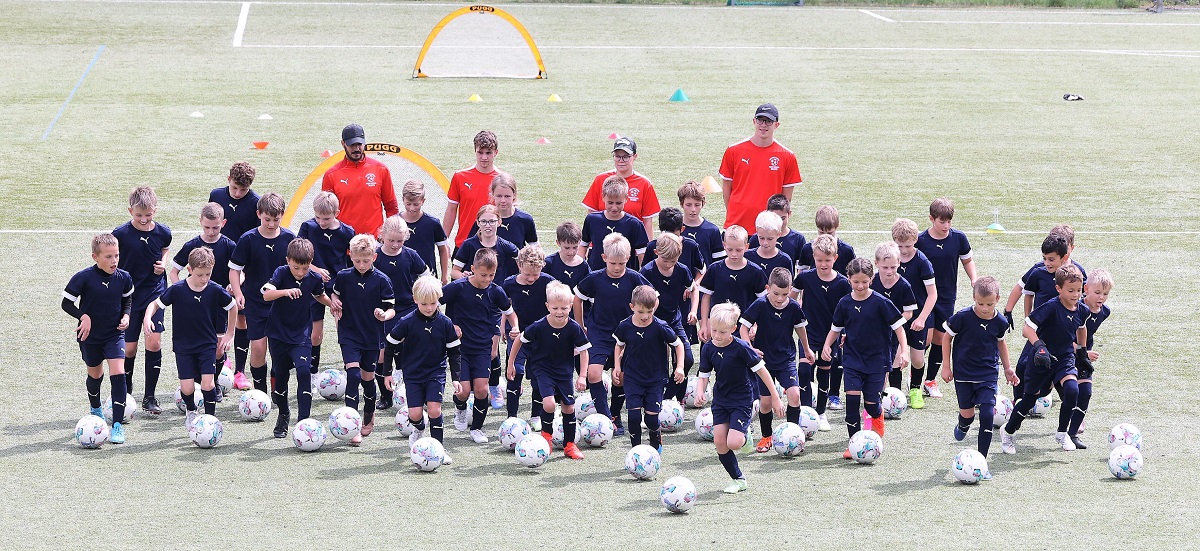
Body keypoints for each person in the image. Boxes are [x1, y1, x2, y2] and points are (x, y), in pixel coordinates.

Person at [822, 258, 908, 459]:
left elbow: (899, 328)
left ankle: (877, 417)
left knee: (870, 404)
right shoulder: (844, 303)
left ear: (871, 279)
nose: (860, 286)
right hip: (852, 360)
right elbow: (835, 329)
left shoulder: (881, 302)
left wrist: (903, 351)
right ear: (849, 279)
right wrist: (827, 345)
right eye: (855, 282)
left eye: (864, 281)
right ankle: (854, 444)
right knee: (851, 404)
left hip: (878, 361)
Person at [694, 303, 783, 494]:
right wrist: (700, 391)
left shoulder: (742, 348)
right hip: (720, 401)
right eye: (714, 330)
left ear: (733, 329)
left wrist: (775, 398)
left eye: (723, 332)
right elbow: (704, 374)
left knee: (733, 443)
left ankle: (744, 435)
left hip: (742, 400)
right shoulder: (708, 348)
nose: (717, 335)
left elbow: (763, 372)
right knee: (720, 442)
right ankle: (739, 479)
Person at [145, 247, 237, 429]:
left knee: (208, 384)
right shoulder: (177, 290)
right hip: (183, 346)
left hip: (207, 345)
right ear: (190, 270)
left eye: (208, 274)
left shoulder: (215, 290)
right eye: (200, 275)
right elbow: (154, 305)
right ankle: (191, 410)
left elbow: (232, 307)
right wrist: (148, 318)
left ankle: (210, 419)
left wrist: (229, 334)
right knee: (187, 388)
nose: (204, 279)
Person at [1001, 264, 1086, 454]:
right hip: (1041, 360)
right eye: (1070, 290)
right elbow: (1027, 329)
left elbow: (1082, 327)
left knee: (1072, 390)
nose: (1075, 295)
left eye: (1079, 290)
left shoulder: (1081, 309)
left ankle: (1062, 433)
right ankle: (1007, 432)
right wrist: (1039, 347)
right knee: (1029, 400)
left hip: (1064, 359)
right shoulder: (1050, 307)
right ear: (1058, 289)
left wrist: (1082, 352)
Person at [573, 233, 651, 437]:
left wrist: (643, 321)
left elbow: (652, 298)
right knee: (593, 373)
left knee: (621, 377)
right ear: (604, 257)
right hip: (599, 333)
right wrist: (581, 325)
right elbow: (577, 298)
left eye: (622, 263)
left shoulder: (635, 277)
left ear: (628, 259)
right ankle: (604, 417)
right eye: (613, 263)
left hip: (626, 336)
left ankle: (615, 414)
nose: (617, 268)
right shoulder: (594, 278)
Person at [63, 234, 134, 444]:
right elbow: (66, 303)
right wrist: (82, 316)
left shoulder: (124, 277)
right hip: (90, 337)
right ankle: (95, 408)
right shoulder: (83, 278)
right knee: (95, 375)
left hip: (114, 334)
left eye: (117, 256)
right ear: (95, 257)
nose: (114, 261)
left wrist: (126, 315)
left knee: (119, 372)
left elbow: (127, 299)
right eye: (109, 256)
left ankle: (118, 425)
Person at [442, 249, 519, 443]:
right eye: (483, 274)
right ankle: (460, 409)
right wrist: (451, 325)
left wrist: (515, 326)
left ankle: (476, 428)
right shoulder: (457, 287)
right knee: (463, 391)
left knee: (482, 390)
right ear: (472, 269)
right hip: (459, 348)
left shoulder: (495, 291)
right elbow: (433, 305)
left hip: (483, 348)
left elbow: (510, 312)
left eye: (491, 275)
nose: (487, 279)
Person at [939, 276, 1015, 472]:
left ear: (997, 299)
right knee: (968, 415)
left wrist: (1007, 368)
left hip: (988, 375)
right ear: (974, 298)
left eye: (989, 304)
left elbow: (1001, 342)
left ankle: (982, 463)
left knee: (988, 416)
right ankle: (963, 424)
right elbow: (947, 338)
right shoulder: (962, 317)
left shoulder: (1000, 321)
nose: (984, 308)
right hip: (963, 375)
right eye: (980, 303)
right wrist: (946, 366)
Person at [507, 281, 589, 460]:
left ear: (570, 307)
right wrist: (511, 363)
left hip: (564, 372)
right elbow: (519, 340)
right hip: (542, 369)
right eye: (555, 308)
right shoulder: (539, 326)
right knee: (550, 404)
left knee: (569, 407)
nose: (560, 312)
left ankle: (570, 445)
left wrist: (582, 375)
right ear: (547, 307)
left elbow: (584, 351)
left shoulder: (574, 327)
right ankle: (546, 437)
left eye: (564, 308)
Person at [262, 239, 335, 438]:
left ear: (310, 262)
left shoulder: (313, 277)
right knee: (282, 375)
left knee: (304, 372)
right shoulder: (281, 272)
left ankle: (304, 422)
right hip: (277, 334)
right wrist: (285, 292)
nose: (300, 272)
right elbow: (267, 295)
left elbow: (319, 295)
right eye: (296, 267)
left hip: (301, 334)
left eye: (304, 268)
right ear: (288, 261)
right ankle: (284, 414)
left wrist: (332, 305)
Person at [387, 275, 462, 464]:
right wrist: (388, 372)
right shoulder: (407, 322)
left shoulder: (445, 323)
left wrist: (456, 378)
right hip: (412, 375)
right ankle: (418, 429)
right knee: (415, 415)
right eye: (424, 304)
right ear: (415, 300)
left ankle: (439, 449)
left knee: (435, 410)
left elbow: (454, 352)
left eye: (433, 303)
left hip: (436, 372)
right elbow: (389, 345)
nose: (429, 308)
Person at [740, 267, 815, 452]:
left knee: (795, 395)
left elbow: (800, 329)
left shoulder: (794, 307)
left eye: (784, 294)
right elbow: (743, 328)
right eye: (775, 293)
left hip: (786, 358)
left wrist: (807, 349)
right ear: (767, 288)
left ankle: (794, 435)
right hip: (763, 362)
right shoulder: (760, 304)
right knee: (765, 403)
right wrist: (750, 349)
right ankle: (766, 437)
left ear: (790, 289)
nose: (780, 298)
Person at [330, 234, 395, 445]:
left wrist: (384, 316)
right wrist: (335, 302)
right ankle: (353, 426)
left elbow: (391, 309)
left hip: (372, 336)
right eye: (357, 261)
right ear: (351, 256)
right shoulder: (343, 276)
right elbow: (335, 295)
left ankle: (369, 414)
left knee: (368, 380)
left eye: (366, 261)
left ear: (374, 257)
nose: (361, 265)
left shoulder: (382, 280)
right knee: (353, 375)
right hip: (349, 333)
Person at [228, 192, 296, 394]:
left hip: (282, 305)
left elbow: (298, 269)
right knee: (258, 349)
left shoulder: (289, 238)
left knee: (279, 351)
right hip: (255, 303)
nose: (272, 224)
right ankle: (260, 392)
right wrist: (238, 293)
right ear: (259, 214)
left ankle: (277, 390)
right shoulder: (248, 239)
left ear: (282, 215)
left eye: (276, 219)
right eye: (267, 219)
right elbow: (235, 269)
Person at [113, 186, 172, 414]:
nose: (144, 219)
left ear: (155, 210)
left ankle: (150, 397)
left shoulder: (163, 232)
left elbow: (165, 248)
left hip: (154, 294)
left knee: (154, 342)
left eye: (148, 215)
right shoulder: (120, 234)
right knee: (128, 349)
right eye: (139, 215)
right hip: (128, 298)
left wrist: (163, 263)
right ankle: (126, 393)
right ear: (130, 211)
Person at [170, 203, 237, 401]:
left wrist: (235, 285)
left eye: (215, 227)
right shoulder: (191, 246)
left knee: (217, 350)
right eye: (206, 227)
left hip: (217, 309)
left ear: (223, 224)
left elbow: (240, 272)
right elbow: (174, 271)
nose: (210, 231)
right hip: (194, 311)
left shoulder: (229, 245)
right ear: (200, 222)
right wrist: (182, 293)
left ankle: (213, 383)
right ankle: (200, 385)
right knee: (196, 349)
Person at [917, 198, 977, 400]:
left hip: (946, 296)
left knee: (940, 339)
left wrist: (974, 279)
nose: (946, 226)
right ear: (931, 219)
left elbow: (967, 260)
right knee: (925, 337)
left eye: (949, 221)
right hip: (924, 297)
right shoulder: (921, 240)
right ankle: (915, 376)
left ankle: (930, 381)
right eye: (942, 221)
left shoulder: (959, 238)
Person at [613, 285, 686, 452]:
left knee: (651, 419)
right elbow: (619, 345)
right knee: (633, 416)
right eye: (640, 312)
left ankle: (655, 436)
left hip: (655, 379)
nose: (645, 316)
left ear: (655, 307)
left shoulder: (661, 326)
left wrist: (680, 367)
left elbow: (678, 344)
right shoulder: (624, 326)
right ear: (632, 307)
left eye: (649, 311)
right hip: (632, 377)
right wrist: (617, 367)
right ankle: (636, 451)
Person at [791, 234, 851, 431]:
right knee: (805, 370)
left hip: (830, 335)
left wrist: (845, 333)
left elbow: (847, 310)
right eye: (818, 260)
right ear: (813, 257)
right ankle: (807, 412)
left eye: (827, 260)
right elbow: (790, 299)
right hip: (807, 334)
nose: (823, 264)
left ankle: (821, 412)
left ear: (835, 258)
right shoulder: (804, 278)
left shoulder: (842, 283)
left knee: (825, 371)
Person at [209, 162, 260, 390]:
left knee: (241, 316)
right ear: (228, 178)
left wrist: (240, 277)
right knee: (215, 311)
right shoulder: (216, 195)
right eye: (235, 188)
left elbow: (255, 237)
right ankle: (222, 358)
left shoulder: (255, 202)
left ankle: (239, 371)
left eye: (243, 190)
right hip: (217, 261)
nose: (239, 193)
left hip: (242, 266)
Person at [298, 191, 355, 387]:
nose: (321, 222)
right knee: (315, 334)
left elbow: (352, 261)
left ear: (337, 213)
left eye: (327, 218)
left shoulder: (348, 232)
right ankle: (313, 373)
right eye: (318, 217)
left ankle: (350, 371)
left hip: (339, 289)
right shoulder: (307, 227)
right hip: (314, 287)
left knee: (344, 330)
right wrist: (315, 269)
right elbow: (299, 257)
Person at [371, 216, 429, 410]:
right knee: (382, 354)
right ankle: (385, 396)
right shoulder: (375, 257)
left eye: (399, 240)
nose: (395, 245)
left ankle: (408, 392)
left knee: (406, 352)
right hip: (384, 311)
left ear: (406, 237)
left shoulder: (411, 255)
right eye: (391, 240)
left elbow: (425, 276)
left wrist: (424, 294)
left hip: (408, 309)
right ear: (382, 236)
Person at [1004, 233, 1070, 401]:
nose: (1047, 263)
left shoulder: (1072, 276)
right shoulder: (1038, 273)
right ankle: (1018, 402)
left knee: (1061, 373)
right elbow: (1028, 295)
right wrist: (1028, 320)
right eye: (1044, 258)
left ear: (1064, 258)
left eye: (1051, 259)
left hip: (1062, 333)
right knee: (1022, 366)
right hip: (1039, 332)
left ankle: (1071, 410)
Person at [718, 103, 801, 233]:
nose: (763, 125)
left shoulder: (787, 156)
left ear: (776, 125)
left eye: (768, 121)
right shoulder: (734, 150)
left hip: (768, 230)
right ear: (754, 121)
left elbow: (786, 199)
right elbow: (727, 189)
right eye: (760, 120)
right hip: (737, 226)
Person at [639, 233, 698, 404]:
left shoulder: (682, 270)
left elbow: (694, 289)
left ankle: (669, 397)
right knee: (658, 366)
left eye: (673, 261)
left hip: (674, 321)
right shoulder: (647, 272)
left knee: (687, 359)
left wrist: (693, 310)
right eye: (666, 261)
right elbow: (645, 299)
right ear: (656, 252)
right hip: (653, 323)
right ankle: (654, 399)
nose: (669, 265)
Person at [501, 245, 554, 420]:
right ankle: (512, 417)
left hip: (540, 338)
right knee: (515, 372)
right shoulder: (509, 283)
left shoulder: (548, 282)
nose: (531, 278)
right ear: (519, 266)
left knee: (539, 376)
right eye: (527, 274)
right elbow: (505, 307)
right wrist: (503, 326)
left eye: (535, 274)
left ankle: (535, 416)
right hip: (517, 336)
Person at [321, 123, 398, 239]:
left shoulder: (381, 170)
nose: (356, 149)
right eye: (352, 145)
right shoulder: (331, 175)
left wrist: (389, 234)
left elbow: (391, 207)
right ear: (343, 144)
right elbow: (325, 212)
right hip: (344, 243)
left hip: (374, 242)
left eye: (359, 144)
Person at [694, 225, 767, 347]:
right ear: (724, 246)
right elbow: (706, 297)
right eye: (730, 249)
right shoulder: (715, 269)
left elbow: (762, 302)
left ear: (746, 247)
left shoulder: (755, 272)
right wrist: (704, 325)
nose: (734, 254)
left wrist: (755, 325)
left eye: (738, 250)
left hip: (744, 329)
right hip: (718, 328)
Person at [892, 218, 937, 409]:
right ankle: (894, 394)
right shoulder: (890, 259)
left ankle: (916, 389)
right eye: (900, 245)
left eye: (907, 245)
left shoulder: (922, 262)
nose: (903, 250)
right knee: (895, 358)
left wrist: (921, 318)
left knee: (917, 359)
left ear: (916, 240)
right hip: (896, 320)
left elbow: (932, 294)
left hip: (917, 319)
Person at [581, 137, 661, 241]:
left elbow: (647, 222)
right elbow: (591, 216)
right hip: (601, 245)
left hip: (632, 248)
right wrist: (590, 245)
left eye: (626, 157)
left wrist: (647, 251)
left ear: (635, 156)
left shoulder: (645, 184)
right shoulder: (600, 180)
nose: (621, 161)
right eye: (617, 156)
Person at [1068, 269, 1112, 448]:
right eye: (1097, 292)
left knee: (1085, 393)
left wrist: (1085, 353)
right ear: (1086, 289)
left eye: (1106, 294)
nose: (1101, 297)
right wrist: (1083, 351)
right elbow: (1063, 337)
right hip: (1065, 354)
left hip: (1083, 355)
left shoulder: (1104, 312)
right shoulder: (1076, 308)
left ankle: (1072, 434)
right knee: (1040, 392)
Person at [870, 242, 918, 391]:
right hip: (875, 332)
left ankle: (895, 396)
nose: (889, 271)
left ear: (899, 262)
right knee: (878, 366)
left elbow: (909, 313)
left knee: (895, 363)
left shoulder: (904, 286)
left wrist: (893, 323)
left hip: (896, 332)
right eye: (885, 267)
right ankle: (876, 397)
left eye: (893, 267)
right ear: (876, 263)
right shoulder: (872, 282)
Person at [443, 130, 501, 250]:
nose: (484, 157)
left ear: (496, 153)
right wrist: (443, 241)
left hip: (494, 245)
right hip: (464, 245)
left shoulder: (502, 180)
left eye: (488, 153)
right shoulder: (460, 177)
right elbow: (451, 209)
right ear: (475, 151)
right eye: (480, 152)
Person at [581, 175, 649, 271]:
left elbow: (642, 257)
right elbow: (583, 245)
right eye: (610, 202)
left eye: (618, 203)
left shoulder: (635, 224)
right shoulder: (592, 220)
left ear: (626, 198)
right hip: (595, 277)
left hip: (625, 280)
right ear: (603, 197)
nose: (614, 207)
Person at [398, 180, 452, 284]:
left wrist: (444, 277)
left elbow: (443, 249)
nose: (412, 208)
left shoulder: (432, 223)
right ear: (403, 200)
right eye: (408, 204)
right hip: (402, 278)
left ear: (423, 201)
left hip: (427, 279)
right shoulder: (395, 222)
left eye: (416, 204)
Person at [469, 173, 538, 249]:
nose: (503, 200)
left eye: (507, 196)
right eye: (499, 196)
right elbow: (469, 248)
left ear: (514, 195)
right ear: (492, 195)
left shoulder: (525, 220)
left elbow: (535, 247)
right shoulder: (484, 219)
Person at [452, 204, 520, 282]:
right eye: (483, 221)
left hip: (496, 292)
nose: (488, 225)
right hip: (473, 291)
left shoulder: (506, 246)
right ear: (478, 222)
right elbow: (454, 272)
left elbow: (523, 265)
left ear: (499, 222)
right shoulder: (468, 245)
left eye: (492, 221)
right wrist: (464, 277)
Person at [749, 194, 806, 270]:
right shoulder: (756, 238)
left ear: (789, 214)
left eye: (783, 218)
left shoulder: (798, 238)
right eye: (775, 217)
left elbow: (802, 267)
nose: (779, 223)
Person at [797, 205, 856, 275]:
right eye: (821, 233)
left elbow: (854, 273)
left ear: (837, 226)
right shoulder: (808, 248)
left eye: (830, 233)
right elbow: (801, 271)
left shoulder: (847, 250)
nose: (826, 237)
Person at [544, 221, 588, 296]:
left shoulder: (583, 265)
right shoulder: (549, 263)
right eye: (567, 248)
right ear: (558, 243)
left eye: (575, 247)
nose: (571, 252)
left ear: (579, 242)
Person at [745, 210, 794, 278]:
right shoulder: (747, 256)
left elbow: (788, 286)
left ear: (778, 234)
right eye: (761, 238)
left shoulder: (785, 260)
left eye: (770, 239)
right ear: (757, 232)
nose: (765, 243)